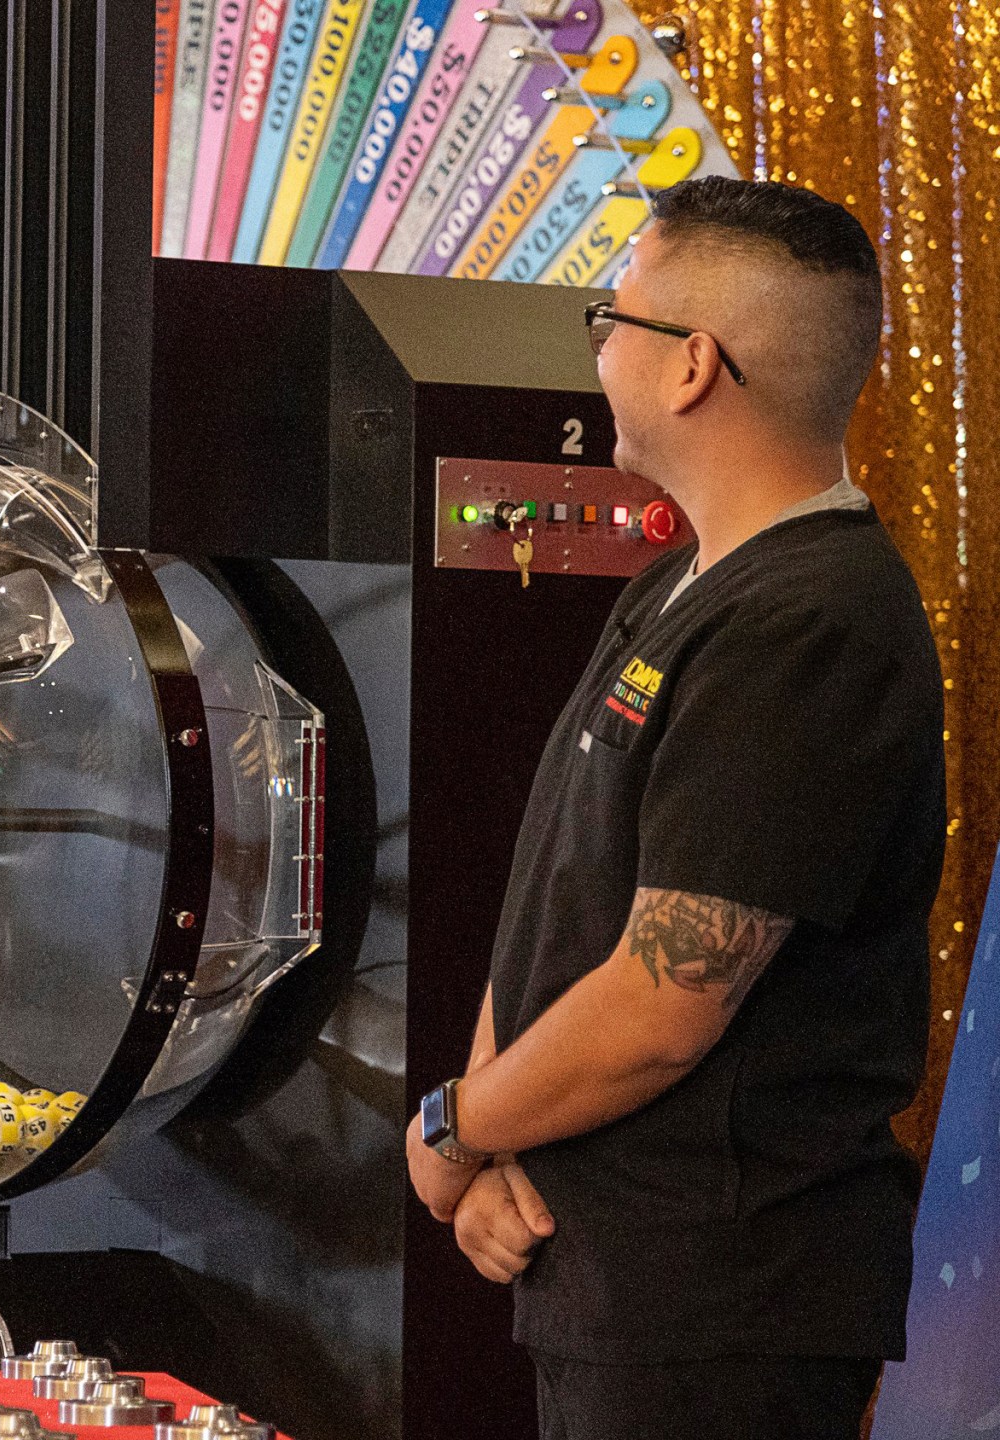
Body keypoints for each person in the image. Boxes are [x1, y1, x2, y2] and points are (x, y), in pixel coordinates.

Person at [404, 176, 942, 1440]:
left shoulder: (812, 620)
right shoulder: (675, 585)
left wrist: (452, 1122)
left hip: (724, 1303)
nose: (598, 350)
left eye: (614, 318)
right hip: (603, 1275)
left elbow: (664, 1002)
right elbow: (557, 904)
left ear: (693, 364)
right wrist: (482, 1146)